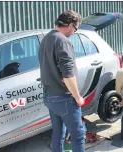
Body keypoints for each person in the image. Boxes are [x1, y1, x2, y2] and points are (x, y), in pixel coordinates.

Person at [38, 10, 86, 152]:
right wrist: (78, 97)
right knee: (78, 136)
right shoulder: (63, 42)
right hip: (64, 98)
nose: (74, 32)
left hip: (49, 96)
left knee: (58, 134)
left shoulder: (46, 39)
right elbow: (68, 75)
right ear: (71, 25)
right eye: (75, 29)